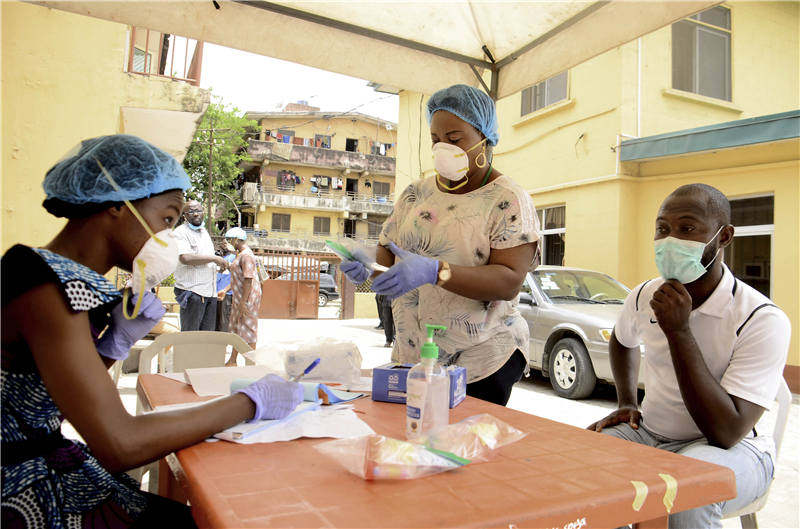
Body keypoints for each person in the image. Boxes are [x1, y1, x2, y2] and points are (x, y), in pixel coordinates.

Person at [0, 135, 304, 528]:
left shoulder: (53, 277)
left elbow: (43, 396)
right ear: (117, 205)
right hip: (18, 487)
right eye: (166, 220)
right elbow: (120, 443)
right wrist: (250, 402)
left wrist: (115, 343)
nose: (167, 239)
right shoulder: (46, 286)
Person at [587, 184, 790, 529]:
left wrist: (679, 331)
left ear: (723, 237)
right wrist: (626, 402)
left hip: (732, 450)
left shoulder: (761, 318)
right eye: (662, 229)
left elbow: (725, 432)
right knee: (583, 467)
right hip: (649, 434)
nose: (670, 240)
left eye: (687, 228)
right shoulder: (644, 295)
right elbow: (622, 341)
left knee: (686, 490)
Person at [341, 84, 540, 406]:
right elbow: (389, 268)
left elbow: (508, 281)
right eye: (436, 139)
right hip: (413, 355)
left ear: (484, 138)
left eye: (455, 139)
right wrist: (367, 269)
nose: (443, 148)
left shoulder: (507, 199)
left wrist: (437, 271)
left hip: (479, 360)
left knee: (462, 446)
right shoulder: (415, 195)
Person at [172, 200, 228, 331]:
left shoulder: (204, 233)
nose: (196, 214)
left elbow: (205, 258)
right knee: (190, 337)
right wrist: (214, 258)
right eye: (191, 211)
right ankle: (185, 352)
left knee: (205, 338)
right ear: (185, 216)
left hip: (209, 292)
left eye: (198, 211)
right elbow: (185, 258)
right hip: (193, 292)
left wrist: (218, 267)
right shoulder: (180, 233)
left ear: (203, 213)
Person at [224, 227, 262, 366]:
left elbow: (248, 279)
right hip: (239, 296)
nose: (228, 242)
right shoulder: (239, 254)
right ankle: (233, 360)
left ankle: (250, 362)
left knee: (248, 329)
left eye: (230, 240)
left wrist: (244, 302)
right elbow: (238, 276)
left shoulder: (246, 255)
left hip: (247, 298)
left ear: (236, 240)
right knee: (237, 328)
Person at [215, 243, 236, 333]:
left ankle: (223, 342)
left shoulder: (233, 258)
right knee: (217, 319)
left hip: (227, 293)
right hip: (217, 293)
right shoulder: (221, 259)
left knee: (224, 320)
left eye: (225, 244)